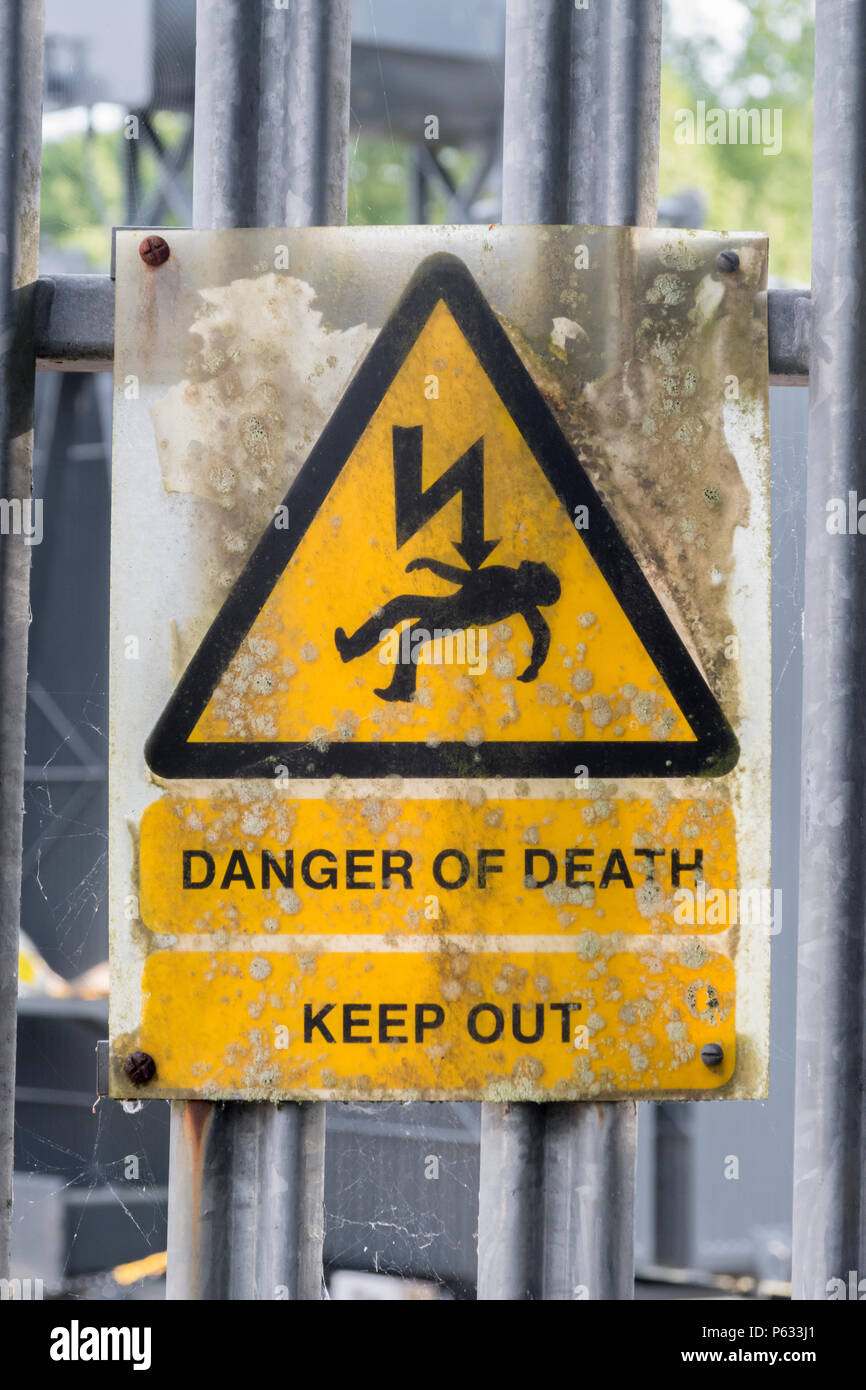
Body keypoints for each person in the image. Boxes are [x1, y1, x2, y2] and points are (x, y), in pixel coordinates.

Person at [335, 556, 561, 702]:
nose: (536, 562)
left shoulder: (521, 598)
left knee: (411, 637)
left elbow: (542, 632)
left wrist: (536, 664)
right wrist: (431, 563)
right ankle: (353, 649)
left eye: (539, 569)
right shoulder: (504, 573)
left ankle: (401, 689)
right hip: (450, 605)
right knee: (400, 606)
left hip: (456, 616)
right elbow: (464, 577)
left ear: (534, 586)